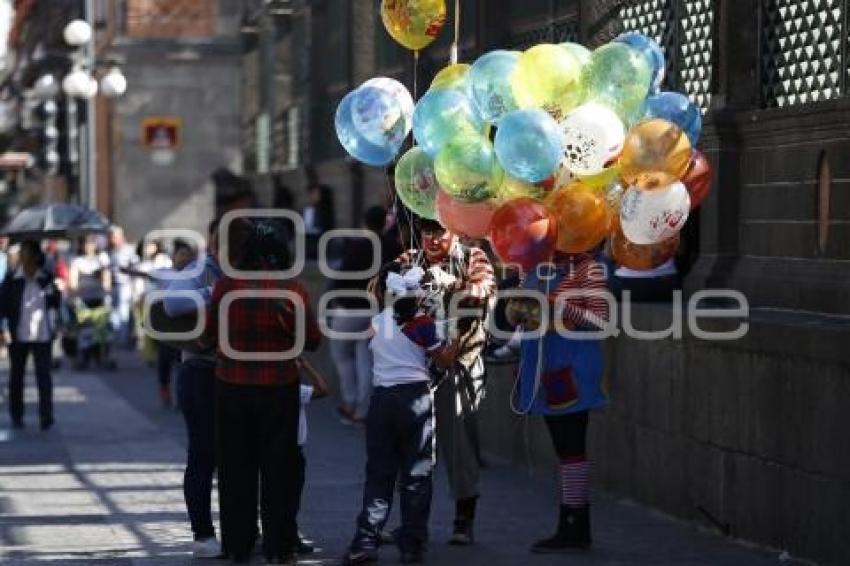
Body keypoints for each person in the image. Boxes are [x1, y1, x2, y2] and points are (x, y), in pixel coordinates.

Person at [204, 218, 321, 564]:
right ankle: (279, 547)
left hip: (232, 386)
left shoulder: (226, 287)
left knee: (235, 469)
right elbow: (312, 340)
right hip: (278, 388)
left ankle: (238, 546)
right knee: (279, 470)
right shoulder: (294, 291)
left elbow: (209, 334)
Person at [385, 216, 496, 545]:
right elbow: (376, 288)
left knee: (459, 446)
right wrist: (397, 284)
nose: (432, 240)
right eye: (426, 233)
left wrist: (454, 284)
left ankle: (464, 519)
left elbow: (486, 292)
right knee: (411, 447)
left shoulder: (473, 256)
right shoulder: (409, 258)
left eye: (439, 233)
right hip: (416, 364)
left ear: (455, 232)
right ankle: (411, 521)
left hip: (459, 363)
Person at [343, 265, 460, 566]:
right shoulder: (423, 325)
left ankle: (365, 541)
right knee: (416, 475)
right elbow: (444, 360)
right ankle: (412, 545)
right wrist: (456, 337)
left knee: (379, 474)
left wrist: (377, 298)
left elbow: (373, 335)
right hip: (415, 400)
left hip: (382, 402)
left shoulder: (378, 322)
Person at [506, 251, 610, 553]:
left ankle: (574, 526)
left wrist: (558, 305)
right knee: (564, 449)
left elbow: (600, 320)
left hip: (573, 366)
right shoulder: (536, 267)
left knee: (572, 447)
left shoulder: (589, 269)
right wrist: (516, 309)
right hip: (543, 364)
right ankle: (573, 524)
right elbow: (518, 317)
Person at [162, 220, 224, 558]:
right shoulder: (203, 270)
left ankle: (245, 529)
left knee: (240, 457)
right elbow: (173, 304)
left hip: (238, 375)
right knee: (203, 454)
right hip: (200, 372)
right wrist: (215, 292)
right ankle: (203, 533)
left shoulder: (254, 270)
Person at [327, 205, 385, 424]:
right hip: (375, 310)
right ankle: (363, 410)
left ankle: (349, 403)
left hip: (350, 309)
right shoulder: (389, 245)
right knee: (365, 358)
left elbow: (340, 277)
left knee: (341, 355)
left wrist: (335, 298)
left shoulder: (358, 246)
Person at [0, 241, 62, 430]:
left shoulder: (46, 279)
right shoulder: (12, 279)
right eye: (21, 254)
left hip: (42, 335)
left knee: (44, 377)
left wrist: (55, 290)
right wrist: (3, 330)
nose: (22, 257)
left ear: (35, 256)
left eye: (25, 253)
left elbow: (55, 304)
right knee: (16, 377)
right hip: (18, 334)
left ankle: (46, 415)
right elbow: (2, 306)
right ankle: (16, 414)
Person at [292, 356, 329, 555]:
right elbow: (323, 389)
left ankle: (280, 534)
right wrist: (307, 366)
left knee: (275, 496)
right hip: (292, 451)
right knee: (291, 497)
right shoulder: (294, 391)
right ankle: (289, 536)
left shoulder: (288, 390)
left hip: (273, 449)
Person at [108, 226, 139, 349]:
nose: (113, 239)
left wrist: (126, 272)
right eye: (111, 237)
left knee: (123, 313)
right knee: (113, 313)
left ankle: (123, 341)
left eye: (115, 237)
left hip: (124, 285)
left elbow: (136, 268)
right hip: (112, 285)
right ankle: (115, 338)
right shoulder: (110, 250)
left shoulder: (129, 250)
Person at [302, 165, 335, 258]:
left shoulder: (325, 210)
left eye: (315, 194)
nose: (312, 196)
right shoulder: (307, 210)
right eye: (311, 194)